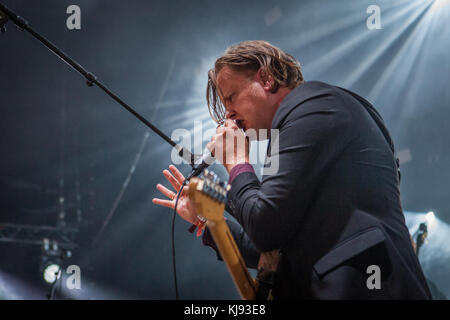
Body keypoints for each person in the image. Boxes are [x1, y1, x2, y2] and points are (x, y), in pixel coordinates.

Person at [152, 40, 432, 299]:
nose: (228, 114)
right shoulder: (300, 124)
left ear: (265, 78)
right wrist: (206, 221)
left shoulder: (313, 107)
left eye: (232, 97)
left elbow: (265, 228)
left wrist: (238, 162)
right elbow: (271, 250)